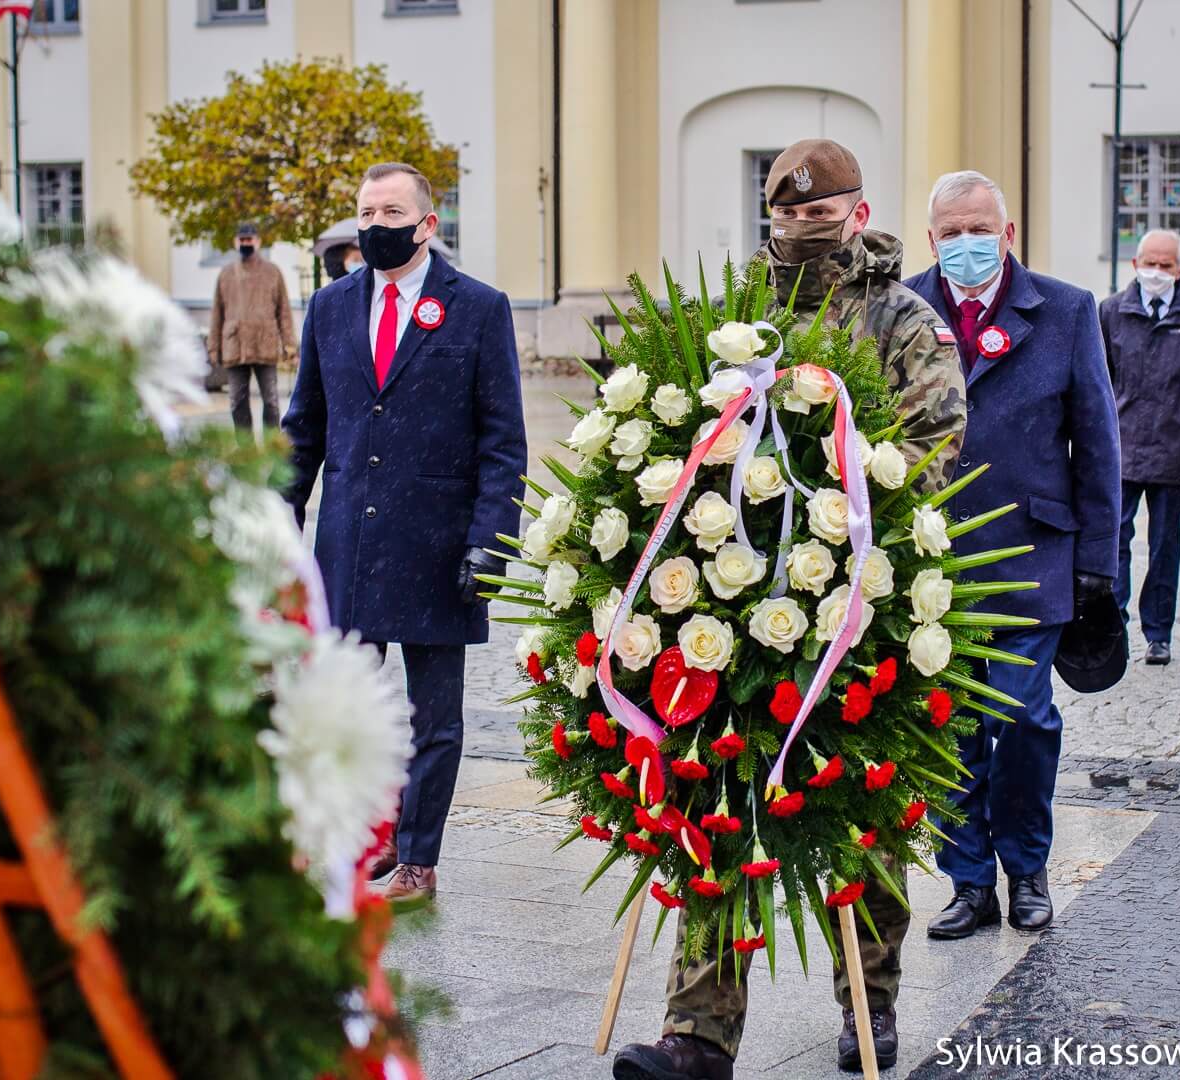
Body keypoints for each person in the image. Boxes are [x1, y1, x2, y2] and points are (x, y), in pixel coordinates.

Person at [613, 139, 967, 1080]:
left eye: (821, 213)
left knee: (866, 815)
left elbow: (936, 442)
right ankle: (698, 1034)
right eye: (788, 214)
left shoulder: (902, 319)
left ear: (858, 213)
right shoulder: (738, 318)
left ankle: (869, 1005)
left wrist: (837, 511)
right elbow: (687, 424)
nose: (804, 228)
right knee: (716, 803)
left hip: (860, 604)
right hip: (732, 604)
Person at [281, 162, 526, 902]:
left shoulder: (478, 308)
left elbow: (502, 441)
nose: (375, 225)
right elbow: (303, 429)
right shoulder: (330, 308)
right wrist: (277, 519)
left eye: (391, 212)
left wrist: (491, 540)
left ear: (427, 224)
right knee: (344, 709)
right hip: (348, 546)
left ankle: (418, 858)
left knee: (434, 718)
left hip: (439, 547)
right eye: (366, 212)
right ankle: (364, 836)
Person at [902, 170, 1119, 936]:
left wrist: (1099, 561)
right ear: (931, 239)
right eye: (952, 232)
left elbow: (1097, 441)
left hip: (1034, 555)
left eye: (980, 229)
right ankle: (969, 881)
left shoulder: (1065, 310)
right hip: (933, 565)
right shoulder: (901, 310)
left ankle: (1027, 867)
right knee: (949, 723)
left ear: (1009, 233)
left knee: (1024, 718)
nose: (967, 243)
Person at [1100, 229, 1180, 665]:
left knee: (1164, 545)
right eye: (1149, 264)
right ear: (1135, 264)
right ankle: (1113, 626)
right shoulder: (1111, 312)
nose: (1156, 272)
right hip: (1121, 449)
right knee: (1114, 541)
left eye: (1165, 265)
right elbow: (1096, 383)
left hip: (1174, 448)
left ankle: (1159, 632)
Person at [209, 222, 295, 445]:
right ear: (235, 242)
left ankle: (271, 447)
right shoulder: (226, 274)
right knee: (237, 401)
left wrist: (289, 344)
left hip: (265, 344)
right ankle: (245, 448)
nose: (246, 243)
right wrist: (213, 347)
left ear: (258, 242)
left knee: (272, 401)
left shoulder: (273, 272)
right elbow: (217, 313)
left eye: (250, 239)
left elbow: (284, 311)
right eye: (242, 239)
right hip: (235, 346)